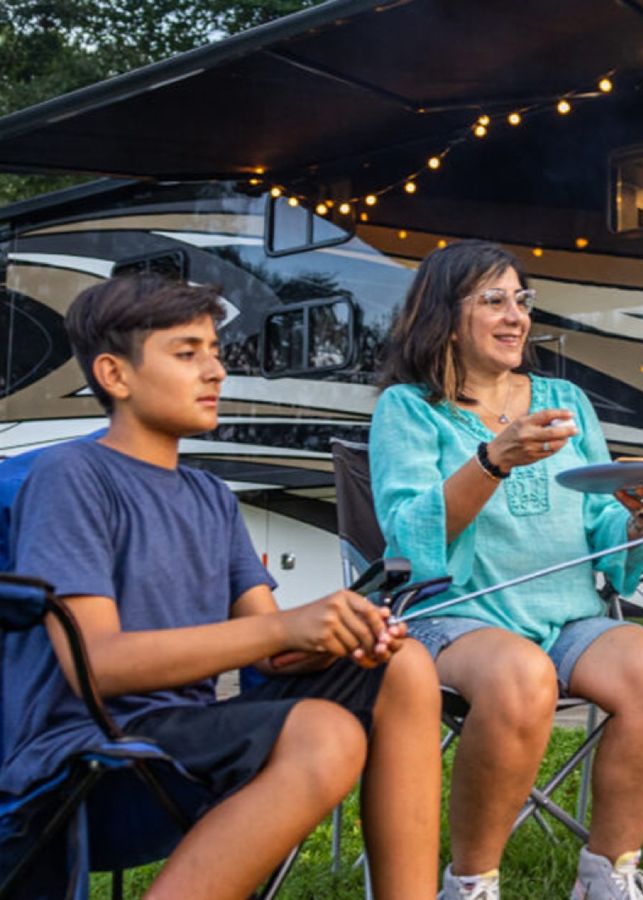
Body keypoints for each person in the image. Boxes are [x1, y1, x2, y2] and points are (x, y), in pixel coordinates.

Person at [1, 275, 441, 900]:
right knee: (326, 732)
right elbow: (95, 665)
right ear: (113, 374)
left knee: (405, 663)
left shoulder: (209, 497)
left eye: (214, 350)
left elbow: (271, 651)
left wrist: (338, 632)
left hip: (186, 737)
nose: (215, 371)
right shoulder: (73, 477)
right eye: (187, 353)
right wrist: (281, 628)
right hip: (86, 754)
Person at [371, 241, 643, 900]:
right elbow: (409, 536)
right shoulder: (408, 409)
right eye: (493, 300)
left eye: (521, 300)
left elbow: (600, 523)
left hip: (567, 616)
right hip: (452, 621)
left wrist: (637, 521)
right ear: (446, 317)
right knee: (521, 675)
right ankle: (471, 885)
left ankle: (608, 876)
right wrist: (491, 461)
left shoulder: (564, 399)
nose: (515, 316)